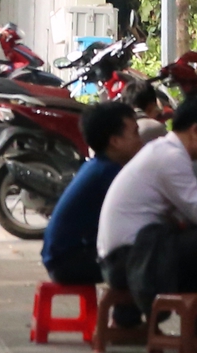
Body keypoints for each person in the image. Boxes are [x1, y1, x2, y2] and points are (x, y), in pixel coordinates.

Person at [96, 95, 197, 316]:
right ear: (195, 130)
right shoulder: (171, 157)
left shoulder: (166, 150)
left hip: (133, 254)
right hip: (130, 260)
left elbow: (193, 211)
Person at [41, 103, 143, 287]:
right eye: (135, 133)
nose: (140, 140)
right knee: (145, 261)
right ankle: (125, 315)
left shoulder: (98, 166)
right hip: (69, 263)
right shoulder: (108, 173)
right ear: (115, 141)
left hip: (63, 257)